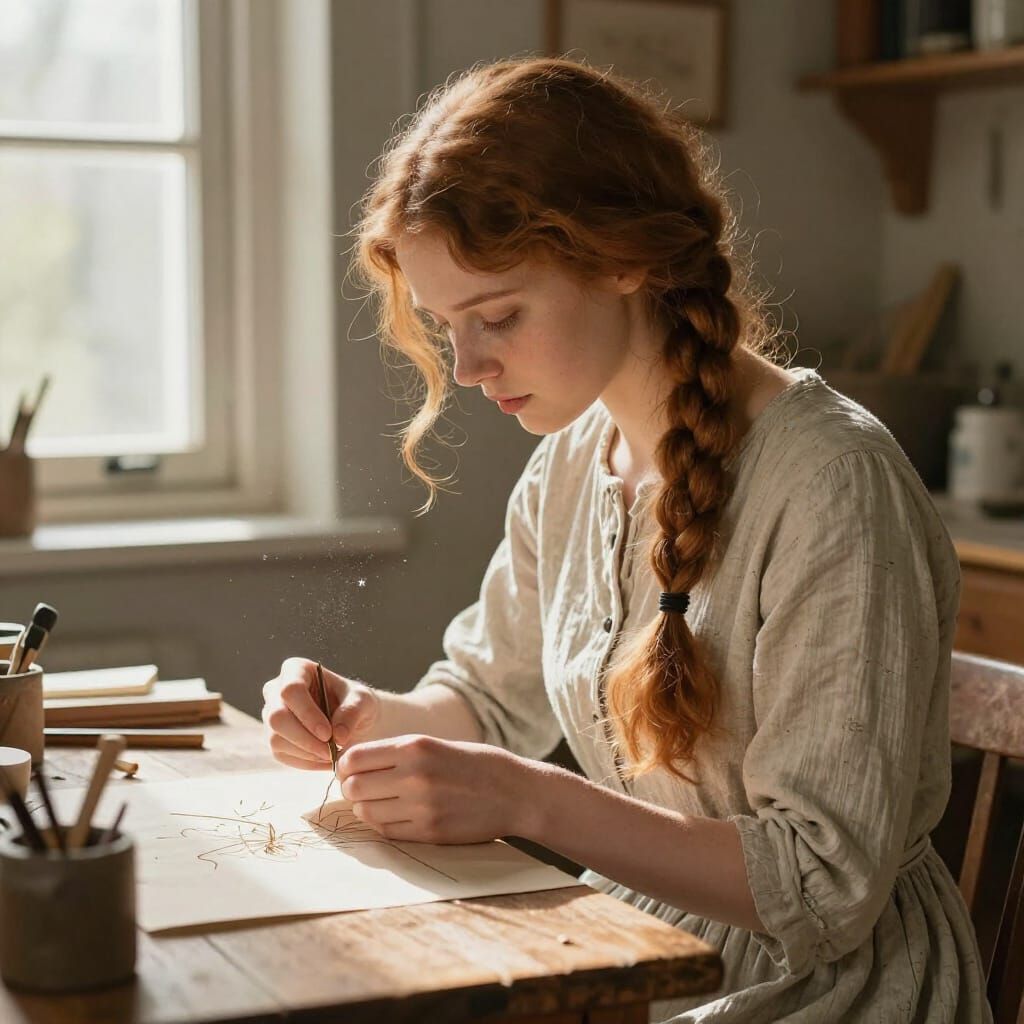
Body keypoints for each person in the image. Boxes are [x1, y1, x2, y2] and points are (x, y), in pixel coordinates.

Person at [261, 57, 992, 1022]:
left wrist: (531, 802)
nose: (471, 368)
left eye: (499, 317)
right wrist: (364, 715)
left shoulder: (832, 485)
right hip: (644, 947)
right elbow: (488, 700)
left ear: (622, 258)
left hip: (830, 989)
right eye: (448, 329)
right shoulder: (573, 463)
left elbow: (824, 887)